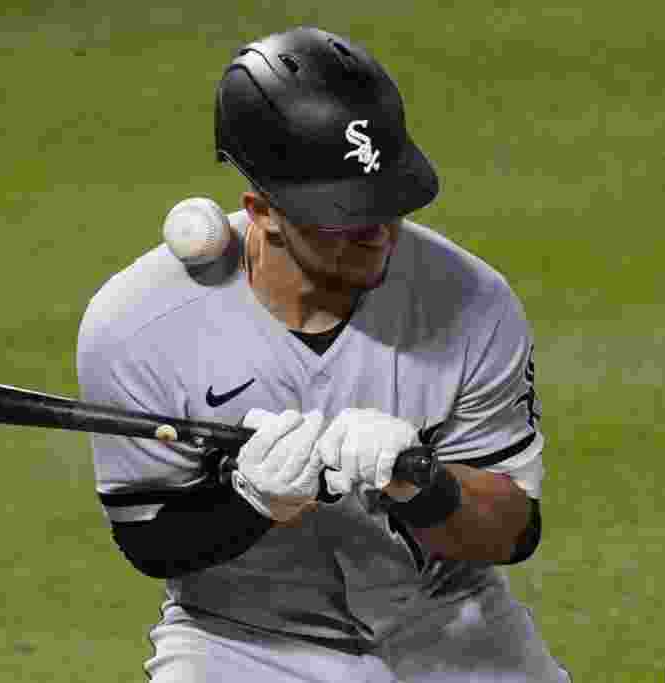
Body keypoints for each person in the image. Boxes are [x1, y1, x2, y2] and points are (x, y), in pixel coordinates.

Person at [77, 26, 569, 682]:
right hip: (242, 641)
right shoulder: (138, 325)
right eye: (345, 213)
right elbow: (148, 537)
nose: (379, 232)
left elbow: (514, 529)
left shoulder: (472, 302)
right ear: (262, 209)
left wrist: (422, 482)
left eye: (387, 200)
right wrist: (250, 501)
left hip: (451, 621)